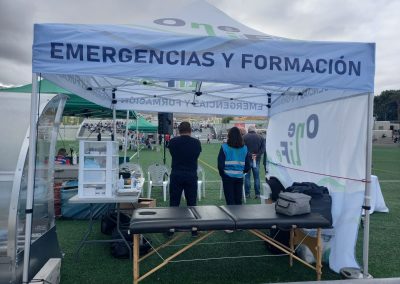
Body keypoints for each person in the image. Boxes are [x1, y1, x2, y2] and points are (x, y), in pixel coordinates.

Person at [168, 122, 202, 207]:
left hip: (176, 174)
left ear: (179, 130)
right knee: (192, 203)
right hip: (191, 174)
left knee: (174, 203)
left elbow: (172, 153)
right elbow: (196, 155)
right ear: (190, 130)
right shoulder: (196, 142)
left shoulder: (173, 142)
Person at [218, 127, 250, 206]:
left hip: (227, 177)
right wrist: (242, 172)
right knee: (238, 201)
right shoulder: (245, 148)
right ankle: (239, 218)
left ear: (229, 136)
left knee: (230, 202)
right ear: (240, 136)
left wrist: (223, 175)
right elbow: (247, 166)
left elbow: (220, 164)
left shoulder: (224, 147)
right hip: (239, 177)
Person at [243, 126, 265, 199]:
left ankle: (247, 194)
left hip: (247, 159)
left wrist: (250, 154)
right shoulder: (261, 137)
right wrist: (257, 155)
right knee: (257, 177)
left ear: (248, 130)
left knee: (247, 177)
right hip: (257, 159)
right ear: (255, 130)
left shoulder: (244, 137)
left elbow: (243, 148)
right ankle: (257, 194)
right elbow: (263, 149)